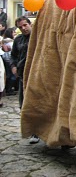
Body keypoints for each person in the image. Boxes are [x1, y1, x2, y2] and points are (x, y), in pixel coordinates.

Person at [10, 16, 39, 144]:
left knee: (37, 104)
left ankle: (38, 132)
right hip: (23, 76)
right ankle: (32, 131)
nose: (23, 28)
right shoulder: (18, 40)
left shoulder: (38, 37)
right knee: (24, 104)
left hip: (37, 75)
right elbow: (13, 56)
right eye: (20, 27)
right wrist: (13, 66)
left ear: (30, 24)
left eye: (25, 25)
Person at [2, 27, 17, 95]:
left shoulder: (4, 41)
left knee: (8, 75)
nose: (15, 33)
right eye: (13, 32)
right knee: (12, 76)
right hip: (9, 60)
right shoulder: (11, 42)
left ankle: (7, 89)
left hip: (5, 59)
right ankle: (9, 89)